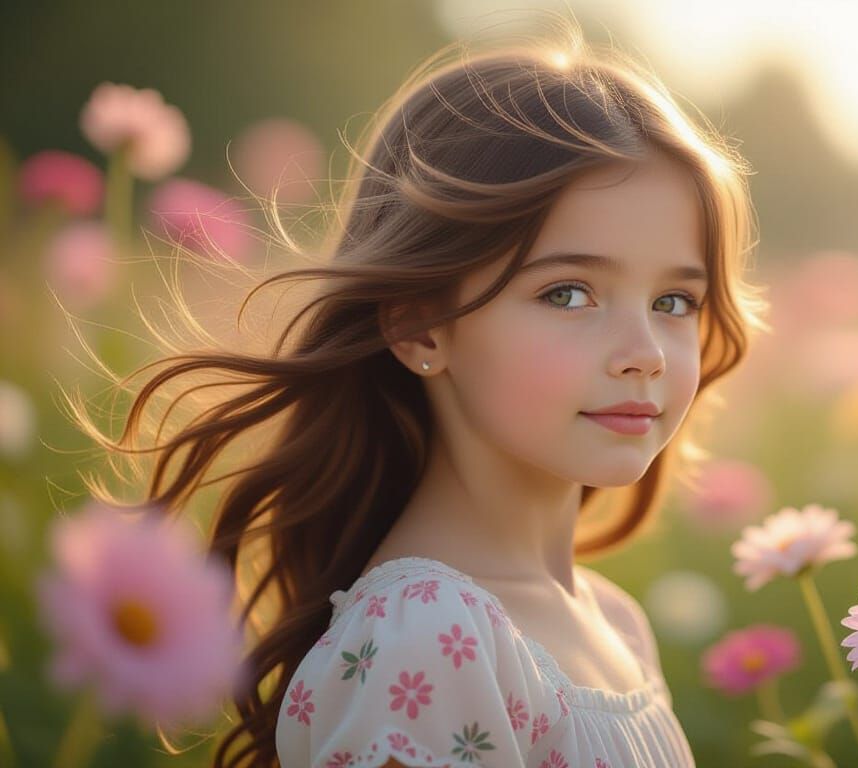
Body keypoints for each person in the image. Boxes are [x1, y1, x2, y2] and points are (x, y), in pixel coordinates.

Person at [72, 14, 768, 768]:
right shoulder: (428, 636)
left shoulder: (614, 621)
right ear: (419, 327)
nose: (645, 355)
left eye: (675, 302)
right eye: (568, 294)